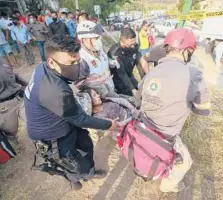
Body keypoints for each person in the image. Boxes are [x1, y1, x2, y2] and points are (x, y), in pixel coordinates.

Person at [24, 35, 119, 190]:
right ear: (52, 62)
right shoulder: (55, 91)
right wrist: (109, 125)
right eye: (71, 63)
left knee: (84, 142)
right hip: (52, 136)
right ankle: (78, 176)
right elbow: (81, 119)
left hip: (60, 120)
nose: (76, 66)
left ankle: (84, 172)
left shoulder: (43, 67)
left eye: (77, 61)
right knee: (73, 161)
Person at [137, 28, 211, 193]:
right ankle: (167, 185)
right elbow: (203, 109)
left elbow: (139, 98)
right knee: (185, 162)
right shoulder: (193, 74)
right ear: (187, 50)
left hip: (143, 129)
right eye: (191, 51)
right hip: (165, 135)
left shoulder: (152, 72)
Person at [108, 28, 149, 97]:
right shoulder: (114, 53)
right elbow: (122, 74)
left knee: (143, 92)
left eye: (134, 43)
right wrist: (132, 89)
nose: (133, 46)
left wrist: (148, 76)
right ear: (123, 40)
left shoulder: (134, 46)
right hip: (119, 83)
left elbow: (141, 61)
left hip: (130, 77)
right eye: (131, 44)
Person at [77, 20, 114, 90]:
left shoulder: (101, 50)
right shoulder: (82, 59)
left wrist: (111, 62)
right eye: (95, 38)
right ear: (83, 39)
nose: (99, 41)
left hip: (111, 91)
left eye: (99, 37)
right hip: (99, 98)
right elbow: (81, 86)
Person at [0, 61, 27, 142]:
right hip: (4, 106)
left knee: (34, 121)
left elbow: (13, 74)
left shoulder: (1, 61)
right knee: (11, 130)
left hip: (20, 97)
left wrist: (26, 84)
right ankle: (14, 144)